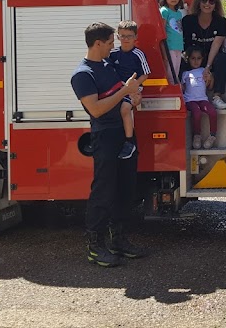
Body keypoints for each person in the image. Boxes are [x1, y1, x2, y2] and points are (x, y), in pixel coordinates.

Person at [70, 22, 147, 267]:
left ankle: (119, 241)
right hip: (104, 137)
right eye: (110, 42)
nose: (113, 46)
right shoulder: (82, 74)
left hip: (124, 136)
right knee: (103, 192)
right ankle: (95, 247)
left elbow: (119, 99)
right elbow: (97, 109)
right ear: (98, 43)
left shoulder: (107, 66)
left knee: (125, 191)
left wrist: (133, 97)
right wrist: (125, 90)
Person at [181, 0, 226, 109]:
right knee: (180, 60)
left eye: (211, 2)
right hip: (193, 58)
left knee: (223, 58)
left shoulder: (220, 21)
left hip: (211, 59)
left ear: (215, 5)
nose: (207, 4)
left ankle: (217, 96)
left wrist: (207, 68)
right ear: (199, 2)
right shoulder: (188, 21)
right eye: (204, 0)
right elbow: (186, 47)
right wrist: (196, 66)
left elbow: (216, 45)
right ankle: (182, 95)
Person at [108, 20, 151, 160]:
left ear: (135, 37)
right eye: (122, 36)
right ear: (117, 36)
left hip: (133, 90)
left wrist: (134, 86)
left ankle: (129, 142)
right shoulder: (112, 53)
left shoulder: (138, 54)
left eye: (129, 36)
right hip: (116, 89)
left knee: (125, 109)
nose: (125, 39)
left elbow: (146, 73)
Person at [182, 47, 219, 150]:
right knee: (196, 113)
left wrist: (211, 79)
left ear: (203, 59)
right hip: (190, 100)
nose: (196, 61)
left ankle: (212, 136)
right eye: (193, 58)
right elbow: (183, 88)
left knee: (212, 112)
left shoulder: (204, 71)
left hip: (203, 99)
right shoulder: (185, 73)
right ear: (188, 59)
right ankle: (197, 136)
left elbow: (210, 87)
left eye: (199, 58)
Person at [159, 0, 184, 82]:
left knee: (176, 73)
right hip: (169, 47)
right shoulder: (164, 11)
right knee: (171, 74)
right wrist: (164, 53)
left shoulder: (178, 13)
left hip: (178, 47)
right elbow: (162, 31)